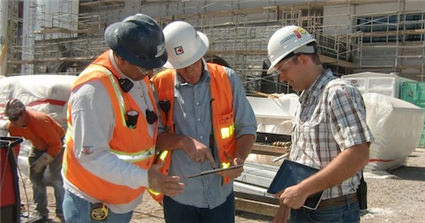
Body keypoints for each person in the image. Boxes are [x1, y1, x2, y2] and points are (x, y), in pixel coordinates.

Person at [61, 13, 184, 223]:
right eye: (146, 67)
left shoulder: (135, 74)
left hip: (121, 198)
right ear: (121, 57)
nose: (150, 72)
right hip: (93, 203)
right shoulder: (93, 92)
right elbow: (92, 156)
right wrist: (145, 178)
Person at [151, 21, 257, 223]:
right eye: (181, 68)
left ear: (200, 54)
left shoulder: (227, 79)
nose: (188, 73)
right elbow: (151, 139)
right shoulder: (158, 85)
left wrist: (239, 159)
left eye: (191, 65)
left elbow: (247, 127)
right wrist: (182, 141)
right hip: (179, 195)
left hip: (220, 195)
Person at [266, 25, 374, 223]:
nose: (281, 78)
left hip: (332, 213)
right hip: (303, 208)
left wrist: (303, 189)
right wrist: (285, 206)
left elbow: (358, 154)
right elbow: (302, 156)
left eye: (282, 69)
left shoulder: (337, 93)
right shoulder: (305, 99)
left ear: (303, 59)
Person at [5, 98, 65, 222]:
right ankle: (41, 212)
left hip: (56, 144)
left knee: (56, 179)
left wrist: (44, 161)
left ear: (23, 113)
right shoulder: (14, 126)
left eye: (15, 119)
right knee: (35, 178)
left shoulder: (40, 121)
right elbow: (14, 145)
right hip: (38, 146)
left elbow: (56, 145)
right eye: (11, 119)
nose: (13, 122)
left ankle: (62, 211)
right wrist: (12, 162)